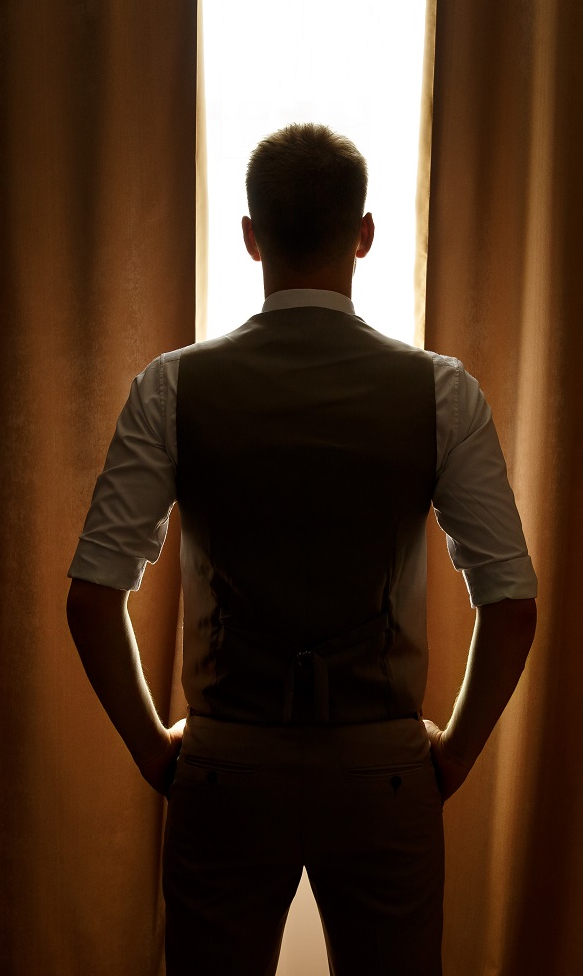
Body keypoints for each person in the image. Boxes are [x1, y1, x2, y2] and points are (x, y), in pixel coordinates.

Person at [65, 123, 538, 975]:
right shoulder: (442, 392)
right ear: (362, 233)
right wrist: (454, 753)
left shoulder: (170, 386)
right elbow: (510, 603)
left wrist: (152, 746)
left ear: (250, 236)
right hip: (385, 770)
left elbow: (92, 595)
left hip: (224, 767)